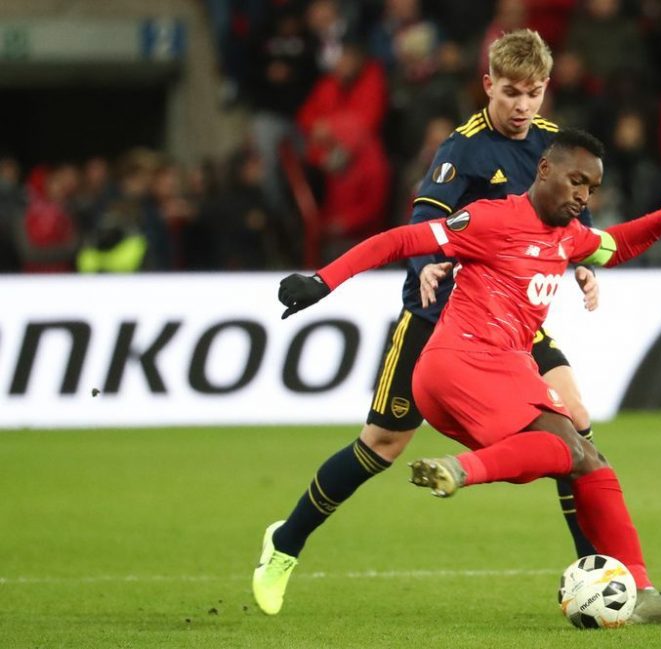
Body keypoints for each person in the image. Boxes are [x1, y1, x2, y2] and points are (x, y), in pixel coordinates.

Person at [270, 128, 661, 624]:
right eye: (575, 181)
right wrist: (323, 280)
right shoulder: (492, 218)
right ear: (544, 170)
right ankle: (461, 470)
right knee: (561, 445)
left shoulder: (567, 238)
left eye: (591, 188)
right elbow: (402, 239)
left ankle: (642, 588)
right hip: (456, 363)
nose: (583, 196)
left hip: (505, 366)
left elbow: (615, 245)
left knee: (587, 458)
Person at [253, 29, 605, 614]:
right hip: (439, 318)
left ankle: (597, 567)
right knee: (383, 444)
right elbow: (421, 224)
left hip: (512, 320)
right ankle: (285, 543)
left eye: (534, 93)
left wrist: (584, 266)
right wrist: (428, 267)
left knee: (575, 423)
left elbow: (569, 221)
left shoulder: (552, 146)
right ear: (489, 85)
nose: (523, 106)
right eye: (512, 92)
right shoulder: (461, 150)